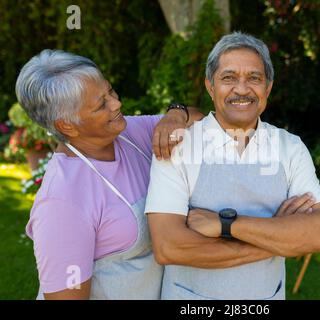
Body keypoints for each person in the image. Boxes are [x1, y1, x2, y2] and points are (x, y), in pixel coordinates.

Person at [145, 32, 320, 300]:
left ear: (267, 87)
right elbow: (169, 247)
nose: (242, 89)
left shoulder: (290, 148)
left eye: (254, 78)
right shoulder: (179, 146)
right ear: (211, 87)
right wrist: (279, 239)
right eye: (229, 78)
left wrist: (227, 225)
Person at [17, 49, 204, 299]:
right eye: (100, 104)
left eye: (110, 91)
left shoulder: (130, 135)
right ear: (66, 125)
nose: (117, 103)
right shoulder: (62, 201)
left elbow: (199, 121)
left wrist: (176, 114)